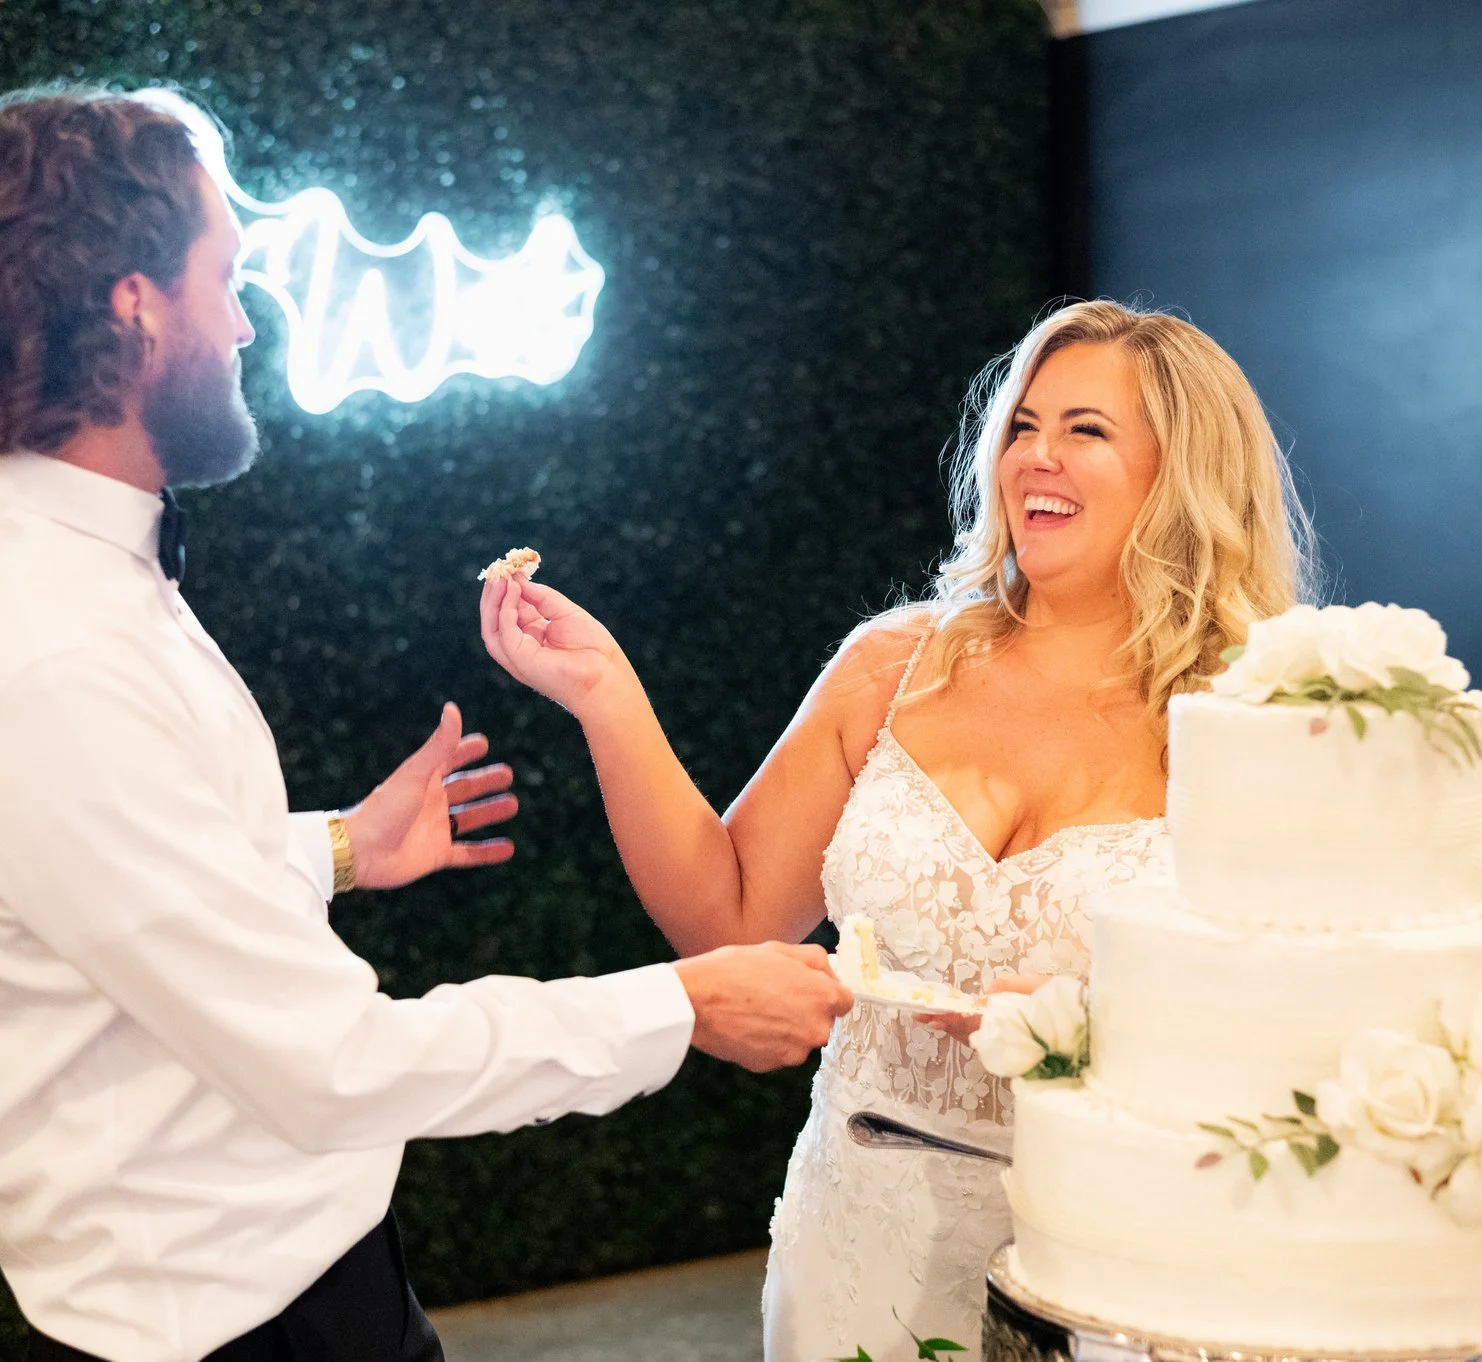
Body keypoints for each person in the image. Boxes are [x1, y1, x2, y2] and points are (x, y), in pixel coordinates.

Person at [0, 84, 851, 1362]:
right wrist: (681, 1008)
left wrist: (328, 851)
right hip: (236, 1328)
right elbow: (332, 1064)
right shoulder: (47, 654)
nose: (249, 319)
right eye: (228, 275)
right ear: (135, 302)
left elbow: (99, 879)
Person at [479, 300, 1315, 1360]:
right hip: (858, 1238)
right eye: (1021, 425)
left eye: (1085, 430)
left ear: (1181, 470)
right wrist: (605, 695)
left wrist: (1095, 1030)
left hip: (1115, 1261)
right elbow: (727, 914)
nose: (1035, 458)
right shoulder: (892, 665)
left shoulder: (1253, 721)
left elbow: (1299, 1023)